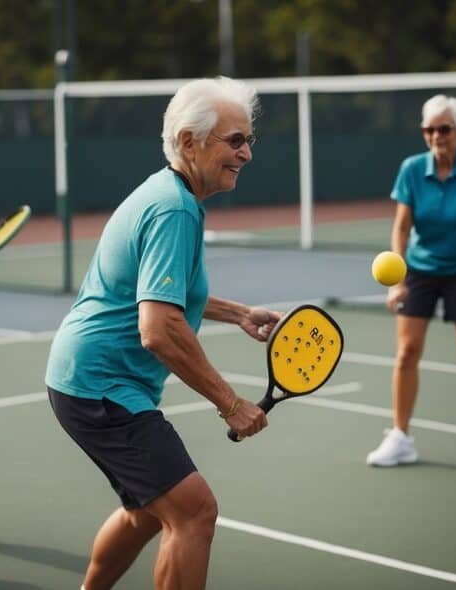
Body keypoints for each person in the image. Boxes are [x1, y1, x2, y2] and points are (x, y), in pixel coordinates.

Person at [45, 77, 281, 590]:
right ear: (189, 143)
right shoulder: (174, 208)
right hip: (102, 387)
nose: (246, 153)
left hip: (85, 380)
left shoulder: (172, 194)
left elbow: (156, 295)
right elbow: (159, 329)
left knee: (147, 511)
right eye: (234, 141)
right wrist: (230, 402)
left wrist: (237, 313)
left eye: (248, 140)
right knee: (195, 512)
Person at [367, 94, 456, 472]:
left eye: (443, 129)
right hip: (420, 268)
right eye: (428, 129)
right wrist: (397, 278)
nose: (434, 135)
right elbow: (401, 227)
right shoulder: (412, 169)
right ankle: (400, 437)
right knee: (406, 352)